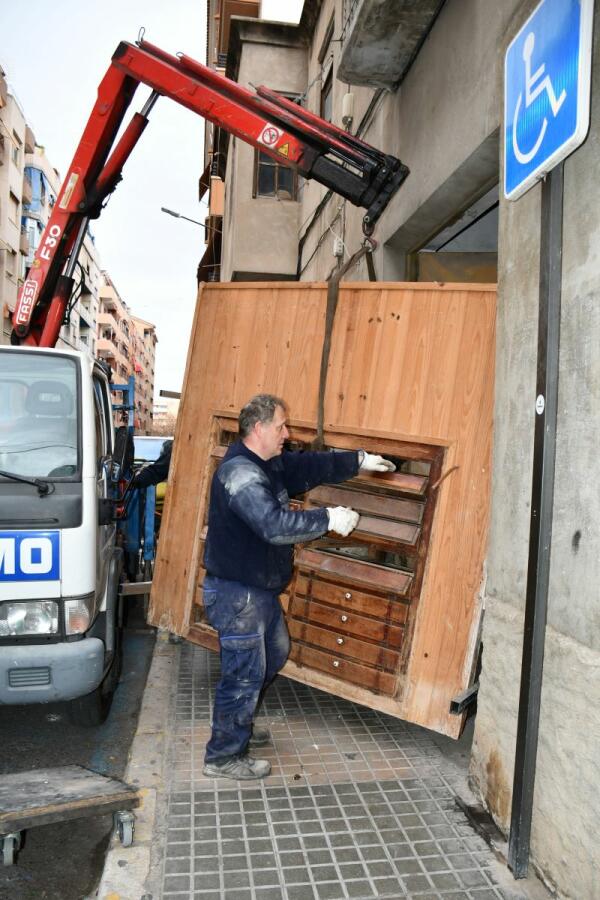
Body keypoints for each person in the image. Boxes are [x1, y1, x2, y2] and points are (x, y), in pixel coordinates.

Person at [202, 393, 396, 780]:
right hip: (237, 594)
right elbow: (274, 526)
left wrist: (356, 460)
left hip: (257, 592)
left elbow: (307, 466)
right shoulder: (241, 474)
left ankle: (237, 722)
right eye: (281, 426)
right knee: (244, 674)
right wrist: (327, 518)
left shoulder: (268, 463)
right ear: (258, 429)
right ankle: (223, 756)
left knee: (274, 654)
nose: (286, 434)